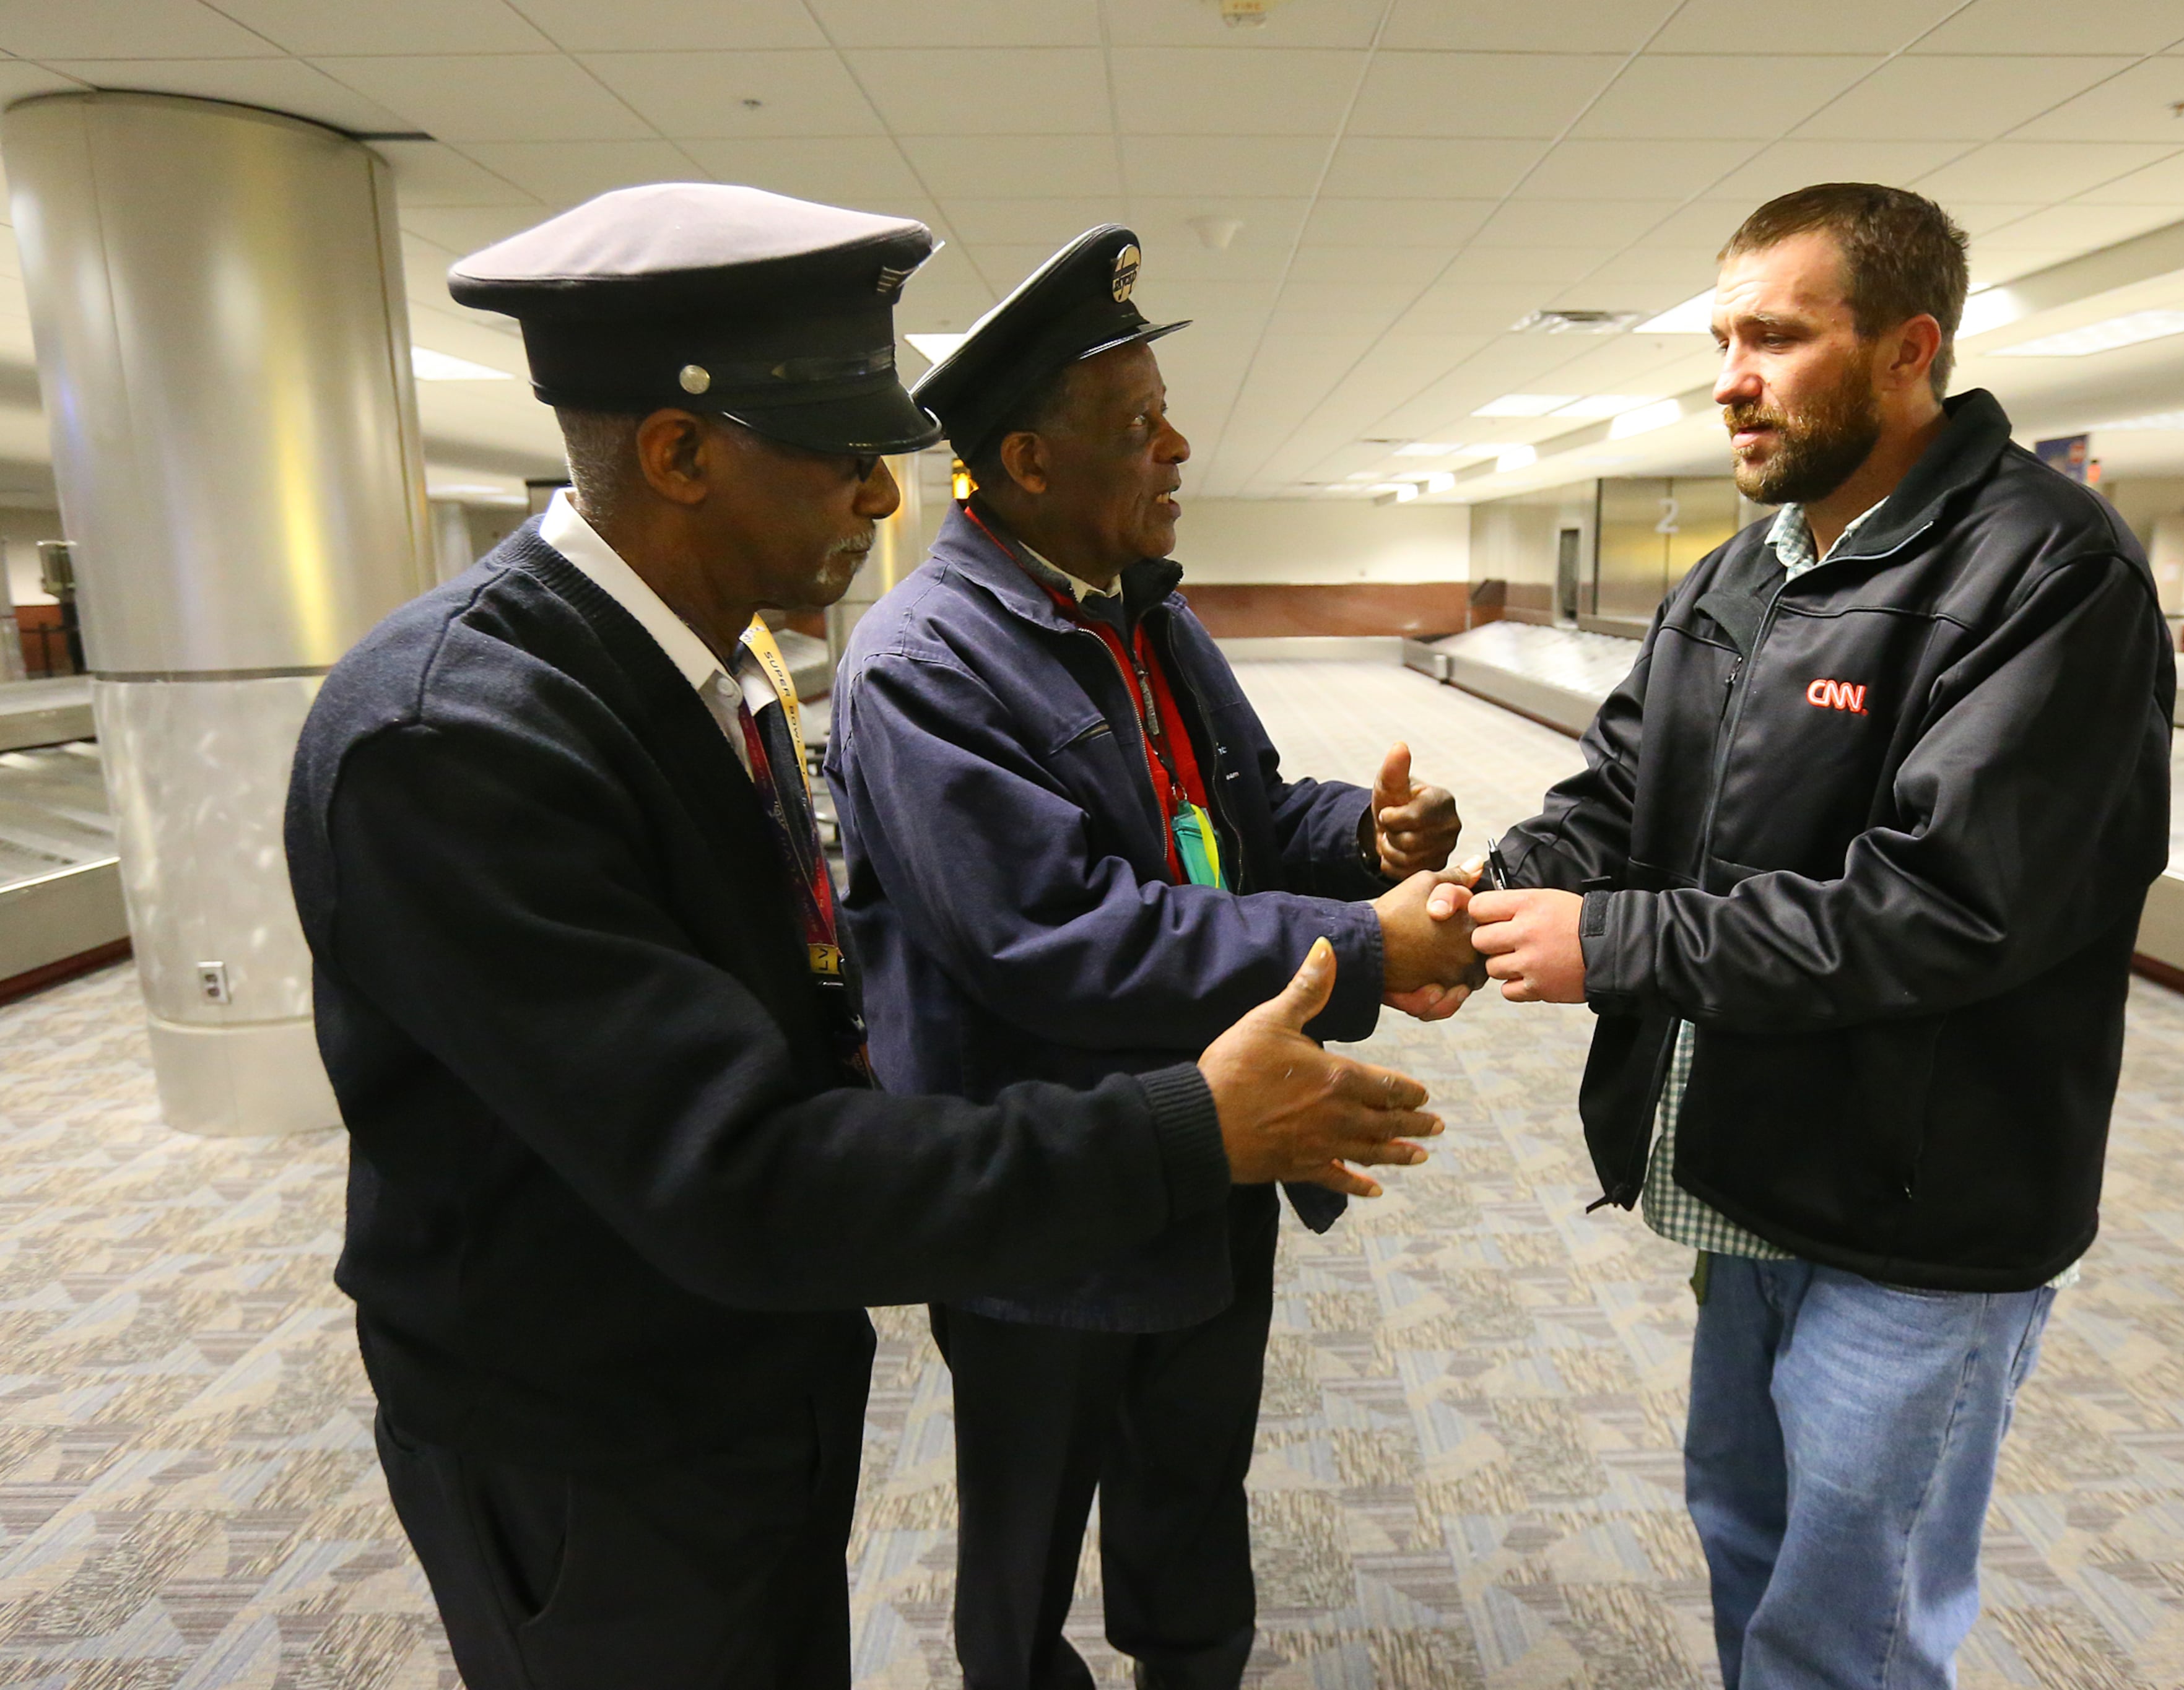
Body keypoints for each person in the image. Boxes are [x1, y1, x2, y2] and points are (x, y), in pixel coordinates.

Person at [282, 184, 1447, 1690]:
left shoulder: (714, 675)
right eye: (841, 456)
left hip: (745, 1369)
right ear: (680, 452)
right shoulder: (456, 740)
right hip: (594, 1436)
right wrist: (1201, 1115)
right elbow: (739, 1166)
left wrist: (1350, 860)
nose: (885, 500)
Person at [1430, 184, 2172, 1688]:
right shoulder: (1740, 572)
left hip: (1923, 1210)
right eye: (1720, 339)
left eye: (1774, 336)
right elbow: (1624, 795)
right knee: (1748, 1539)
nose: (1728, 377)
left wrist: (1617, 947)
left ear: (1910, 350)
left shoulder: (2048, 571)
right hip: (1755, 1172)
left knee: (1852, 1619)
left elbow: (1949, 908)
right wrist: (1477, 908)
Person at [825, 224, 1482, 1690]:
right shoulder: (924, 661)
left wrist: (1363, 839)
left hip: (1213, 1141)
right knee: (1027, 1538)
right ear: (1025, 461)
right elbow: (1055, 935)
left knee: (1192, 1496)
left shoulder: (1143, 605)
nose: (1178, 447)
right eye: (1137, 426)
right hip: (1046, 1182)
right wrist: (1362, 948)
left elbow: (1227, 813)